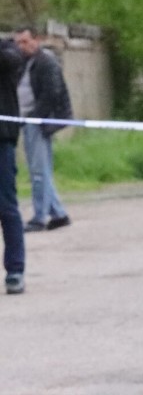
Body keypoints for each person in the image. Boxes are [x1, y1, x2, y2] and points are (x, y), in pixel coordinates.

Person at [13, 26, 73, 233]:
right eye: (18, 42)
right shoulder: (25, 62)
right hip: (29, 121)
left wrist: (34, 117)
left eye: (25, 41)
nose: (21, 46)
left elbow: (52, 93)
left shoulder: (46, 62)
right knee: (40, 169)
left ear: (36, 40)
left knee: (38, 171)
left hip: (40, 122)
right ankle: (58, 213)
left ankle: (39, 217)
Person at [0, 37, 25, 294]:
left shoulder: (7, 49)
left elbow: (12, 60)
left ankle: (15, 270)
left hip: (2, 143)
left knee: (7, 208)